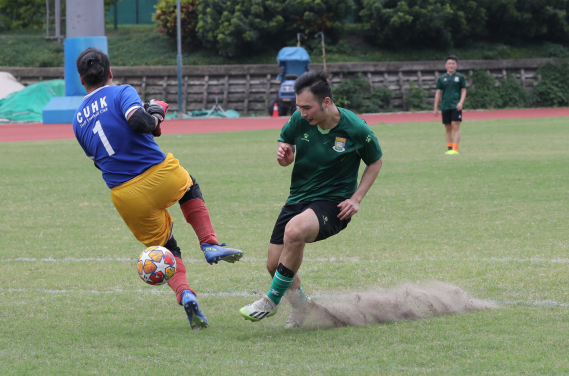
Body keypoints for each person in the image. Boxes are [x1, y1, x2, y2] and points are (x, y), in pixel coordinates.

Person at [72, 47, 243, 330]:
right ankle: (210, 244)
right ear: (110, 73)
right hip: (158, 174)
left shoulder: (78, 119)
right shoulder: (121, 91)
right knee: (189, 187)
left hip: (124, 194)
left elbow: (98, 161)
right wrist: (156, 116)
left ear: (81, 80)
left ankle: (185, 293)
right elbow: (139, 122)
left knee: (166, 247)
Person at [239, 71, 383, 327]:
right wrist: (285, 157)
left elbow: (375, 161)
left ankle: (270, 300)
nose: (303, 113)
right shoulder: (299, 119)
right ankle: (302, 308)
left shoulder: (356, 128)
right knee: (275, 265)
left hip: (333, 202)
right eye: (299, 107)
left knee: (295, 232)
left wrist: (357, 198)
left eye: (307, 107)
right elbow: (287, 150)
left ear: (326, 102)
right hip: (299, 197)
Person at [433, 55, 467, 155]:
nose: (451, 65)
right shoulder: (441, 78)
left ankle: (455, 149)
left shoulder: (460, 77)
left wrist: (461, 102)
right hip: (445, 106)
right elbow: (438, 93)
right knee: (448, 128)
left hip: (456, 106)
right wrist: (435, 107)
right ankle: (449, 148)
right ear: (445, 65)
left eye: (453, 63)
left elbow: (464, 91)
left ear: (456, 65)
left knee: (455, 126)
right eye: (449, 63)